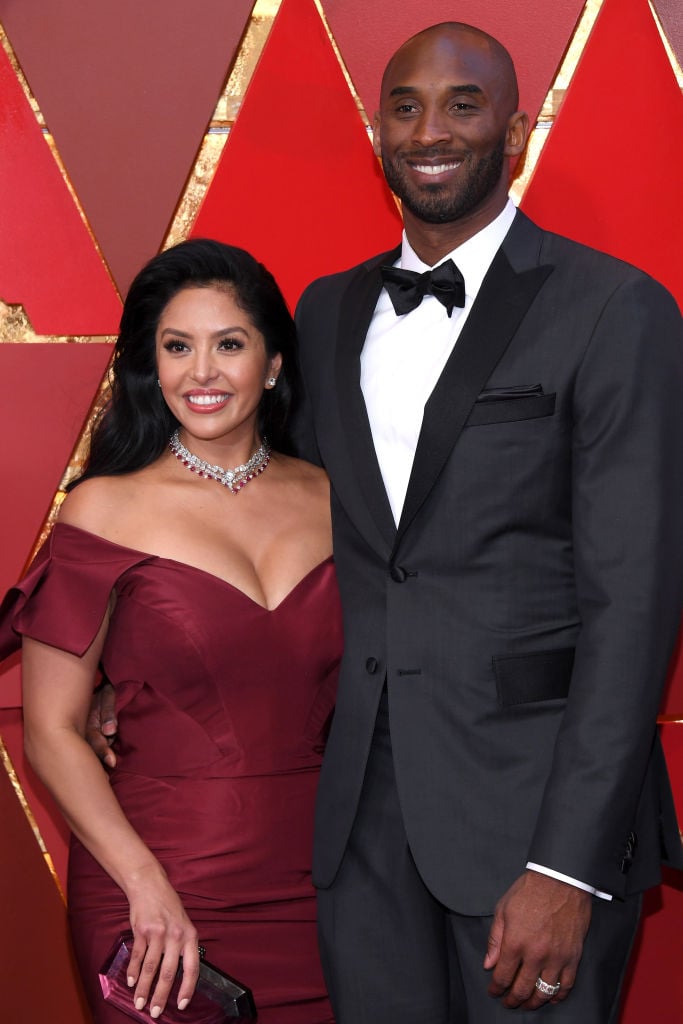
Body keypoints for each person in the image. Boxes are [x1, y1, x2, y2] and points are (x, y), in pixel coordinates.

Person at [292, 21, 683, 1024]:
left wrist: (566, 864)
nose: (431, 128)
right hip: (360, 833)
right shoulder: (325, 313)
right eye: (405, 105)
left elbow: (631, 602)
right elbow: (285, 537)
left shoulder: (613, 308)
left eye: (463, 104)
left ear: (513, 128)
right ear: (376, 127)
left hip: (531, 825)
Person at [0, 239, 341, 1023]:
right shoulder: (103, 510)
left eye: (230, 344)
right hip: (156, 892)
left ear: (275, 363)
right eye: (177, 347)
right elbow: (52, 730)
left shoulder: (335, 501)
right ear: (152, 365)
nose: (203, 373)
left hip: (323, 889)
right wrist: (143, 885)